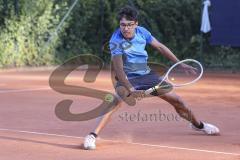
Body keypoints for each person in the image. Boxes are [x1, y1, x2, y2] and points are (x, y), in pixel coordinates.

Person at [83, 6, 220, 150]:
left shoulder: (142, 32)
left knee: (178, 101)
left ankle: (198, 125)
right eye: (123, 25)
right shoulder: (115, 40)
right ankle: (92, 135)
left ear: (136, 24)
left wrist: (180, 64)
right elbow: (118, 68)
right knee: (115, 101)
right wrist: (129, 88)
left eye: (129, 25)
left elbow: (160, 47)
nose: (126, 28)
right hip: (126, 77)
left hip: (147, 76)